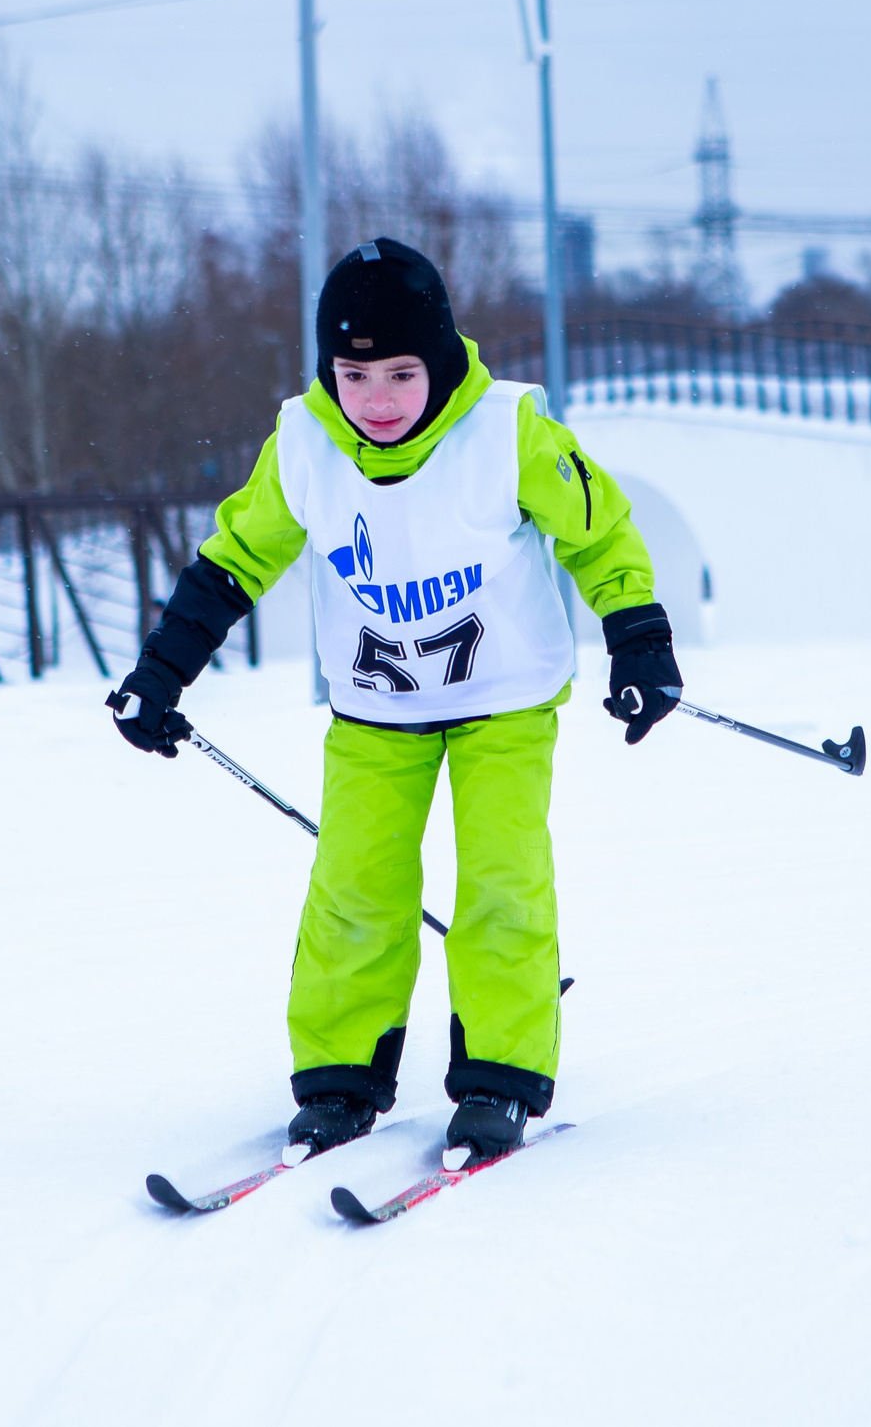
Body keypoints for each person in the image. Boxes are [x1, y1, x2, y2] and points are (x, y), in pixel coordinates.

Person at [109, 238, 679, 1166]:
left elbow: (599, 530)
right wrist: (161, 670)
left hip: (504, 700)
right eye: (354, 374)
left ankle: (499, 1074)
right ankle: (341, 1078)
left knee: (501, 881)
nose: (375, 401)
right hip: (377, 708)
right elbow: (235, 558)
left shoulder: (506, 433)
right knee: (354, 889)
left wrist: (640, 645)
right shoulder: (305, 443)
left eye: (401, 373)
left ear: (443, 360)